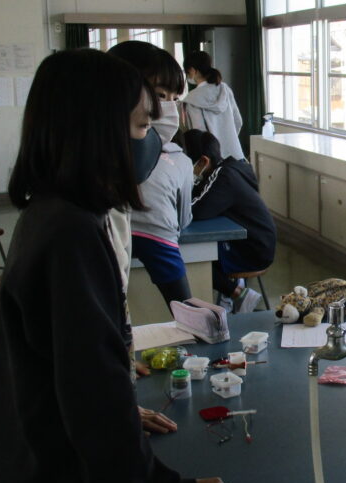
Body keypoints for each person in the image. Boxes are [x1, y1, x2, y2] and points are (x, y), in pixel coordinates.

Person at [0, 49, 238, 483]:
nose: (149, 141)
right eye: (141, 126)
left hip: (31, 469)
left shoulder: (53, 212)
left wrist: (117, 407)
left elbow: (75, 373)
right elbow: (89, 390)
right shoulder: (71, 234)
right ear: (99, 132)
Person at [110, 41, 194, 308]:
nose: (168, 109)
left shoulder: (174, 158)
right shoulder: (93, 179)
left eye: (175, 99)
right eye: (159, 95)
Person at [182, 129, 276, 314]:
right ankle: (234, 291)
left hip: (254, 249)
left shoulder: (223, 176)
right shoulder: (229, 168)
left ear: (203, 161)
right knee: (194, 253)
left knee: (190, 256)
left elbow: (196, 209)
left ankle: (237, 293)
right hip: (257, 241)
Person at [182, 50, 244, 161]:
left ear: (192, 70)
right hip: (236, 154)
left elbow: (198, 134)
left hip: (213, 160)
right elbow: (238, 121)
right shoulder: (225, 89)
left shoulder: (192, 99)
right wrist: (229, 139)